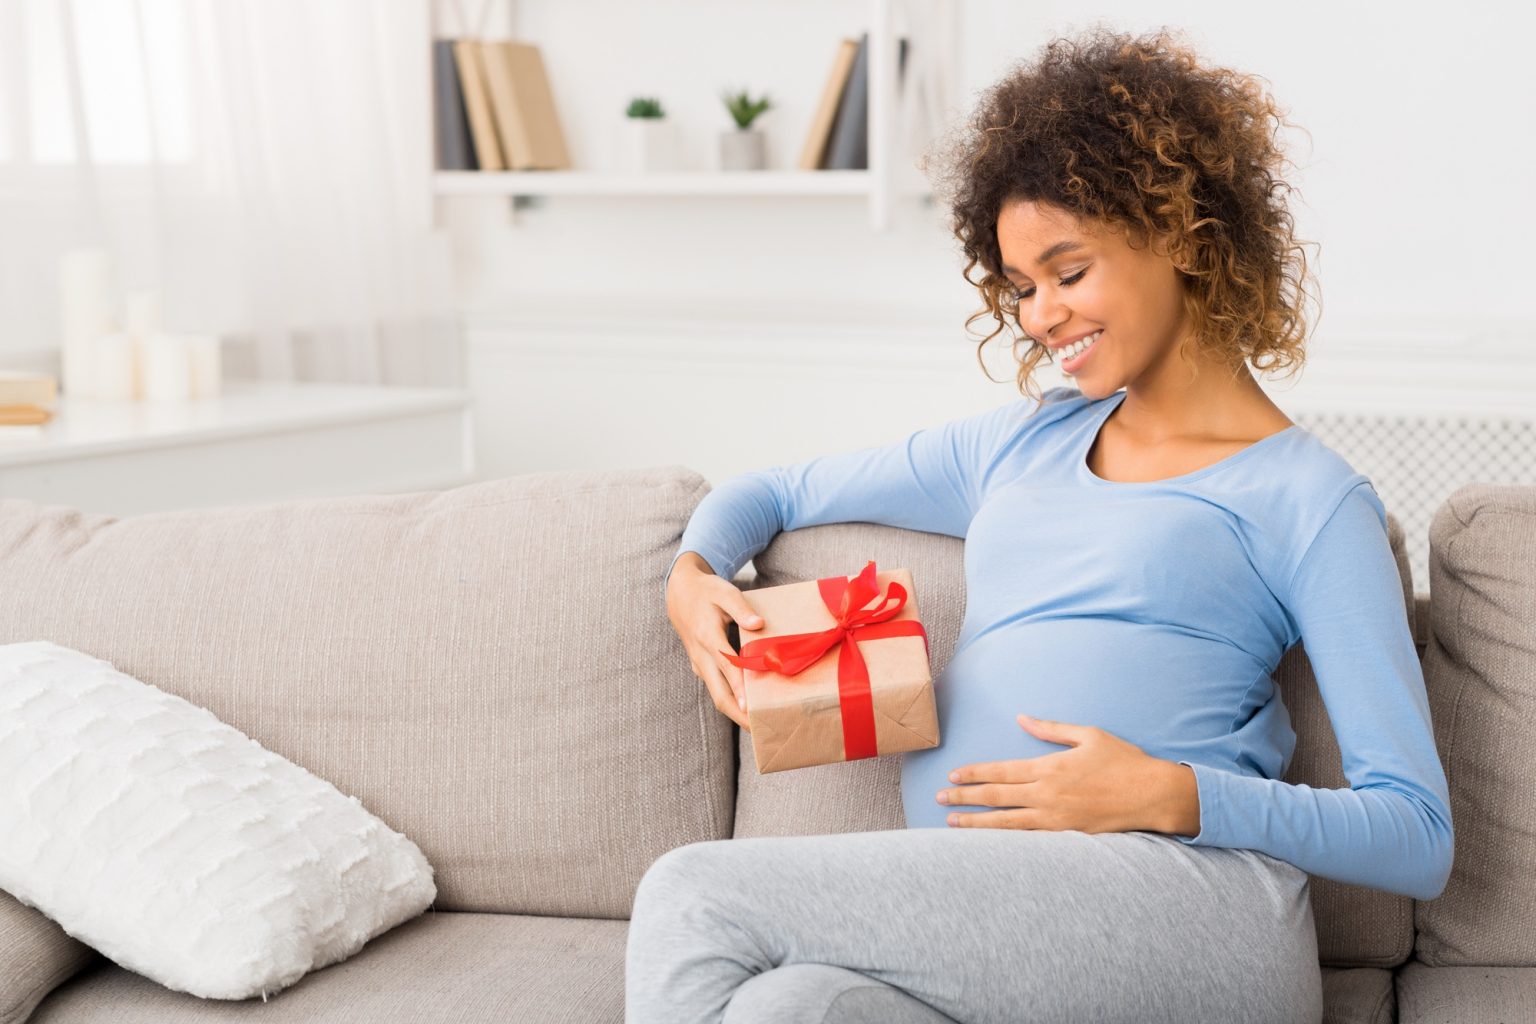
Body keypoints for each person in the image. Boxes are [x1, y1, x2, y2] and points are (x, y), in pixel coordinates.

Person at [627, 25, 1452, 1024]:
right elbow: (780, 491)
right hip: (999, 921)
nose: (1038, 314)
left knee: (690, 895)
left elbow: (1416, 833)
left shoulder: (1310, 499)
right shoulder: (1016, 448)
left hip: (1190, 909)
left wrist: (1173, 795)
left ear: (1182, 235)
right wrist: (694, 567)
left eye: (1069, 272)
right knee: (790, 1006)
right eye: (1021, 287)